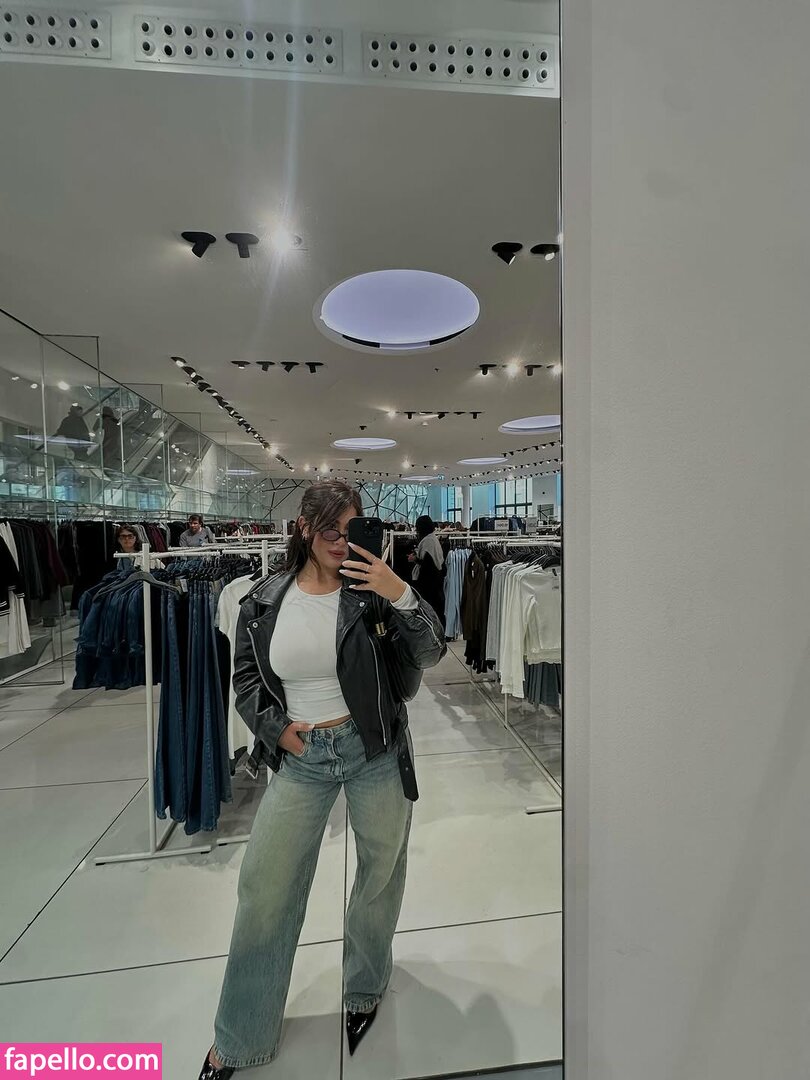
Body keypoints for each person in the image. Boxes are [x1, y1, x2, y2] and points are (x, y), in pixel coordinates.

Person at [200, 480, 446, 1079]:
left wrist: (398, 590)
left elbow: (432, 652)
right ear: (304, 529)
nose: (341, 542)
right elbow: (246, 680)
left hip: (373, 747)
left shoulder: (372, 595)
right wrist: (275, 729)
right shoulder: (263, 601)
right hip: (302, 758)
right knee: (265, 888)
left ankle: (365, 986)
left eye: (350, 529)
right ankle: (240, 1035)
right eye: (329, 530)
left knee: (379, 874)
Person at [408, 514, 446, 626]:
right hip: (435, 580)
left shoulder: (427, 541)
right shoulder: (432, 538)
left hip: (429, 583)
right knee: (436, 606)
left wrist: (415, 559)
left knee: (430, 607)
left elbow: (427, 564)